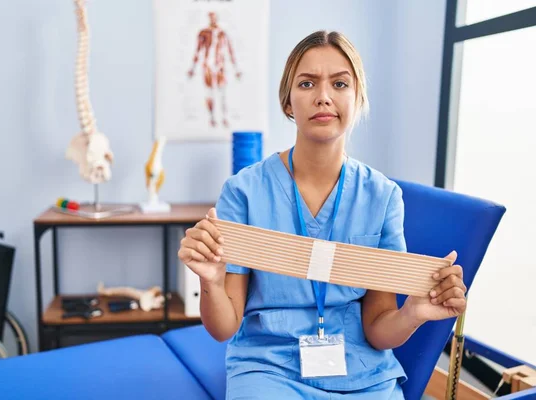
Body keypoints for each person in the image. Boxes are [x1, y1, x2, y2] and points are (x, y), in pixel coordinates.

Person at [178, 30, 467, 399]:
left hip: (361, 371)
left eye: (340, 83)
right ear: (288, 102)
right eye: (307, 83)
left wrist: (414, 312)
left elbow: (379, 329)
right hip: (268, 369)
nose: (323, 96)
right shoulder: (244, 191)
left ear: (358, 98)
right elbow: (223, 328)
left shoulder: (382, 197)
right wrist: (212, 281)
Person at [187, 11, 242, 128]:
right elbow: (197, 50)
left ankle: (224, 117)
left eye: (214, 17)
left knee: (222, 93)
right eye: (211, 17)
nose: (213, 19)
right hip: (208, 66)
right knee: (210, 93)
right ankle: (212, 118)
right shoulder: (204, 33)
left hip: (220, 66)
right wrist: (192, 68)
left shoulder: (222, 33)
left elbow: (230, 50)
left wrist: (236, 69)